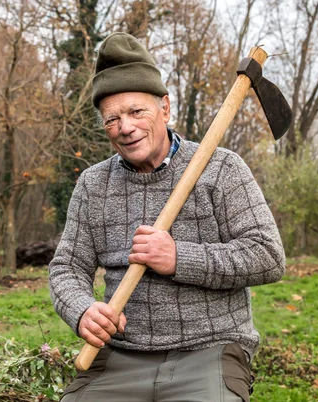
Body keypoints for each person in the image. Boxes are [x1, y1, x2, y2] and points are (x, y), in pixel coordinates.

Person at [48, 32, 286, 402]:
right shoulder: (93, 184)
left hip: (210, 350)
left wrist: (179, 258)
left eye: (135, 111)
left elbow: (268, 257)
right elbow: (66, 268)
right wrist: (81, 311)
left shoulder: (222, 168)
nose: (125, 127)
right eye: (111, 119)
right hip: (121, 355)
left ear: (165, 108)